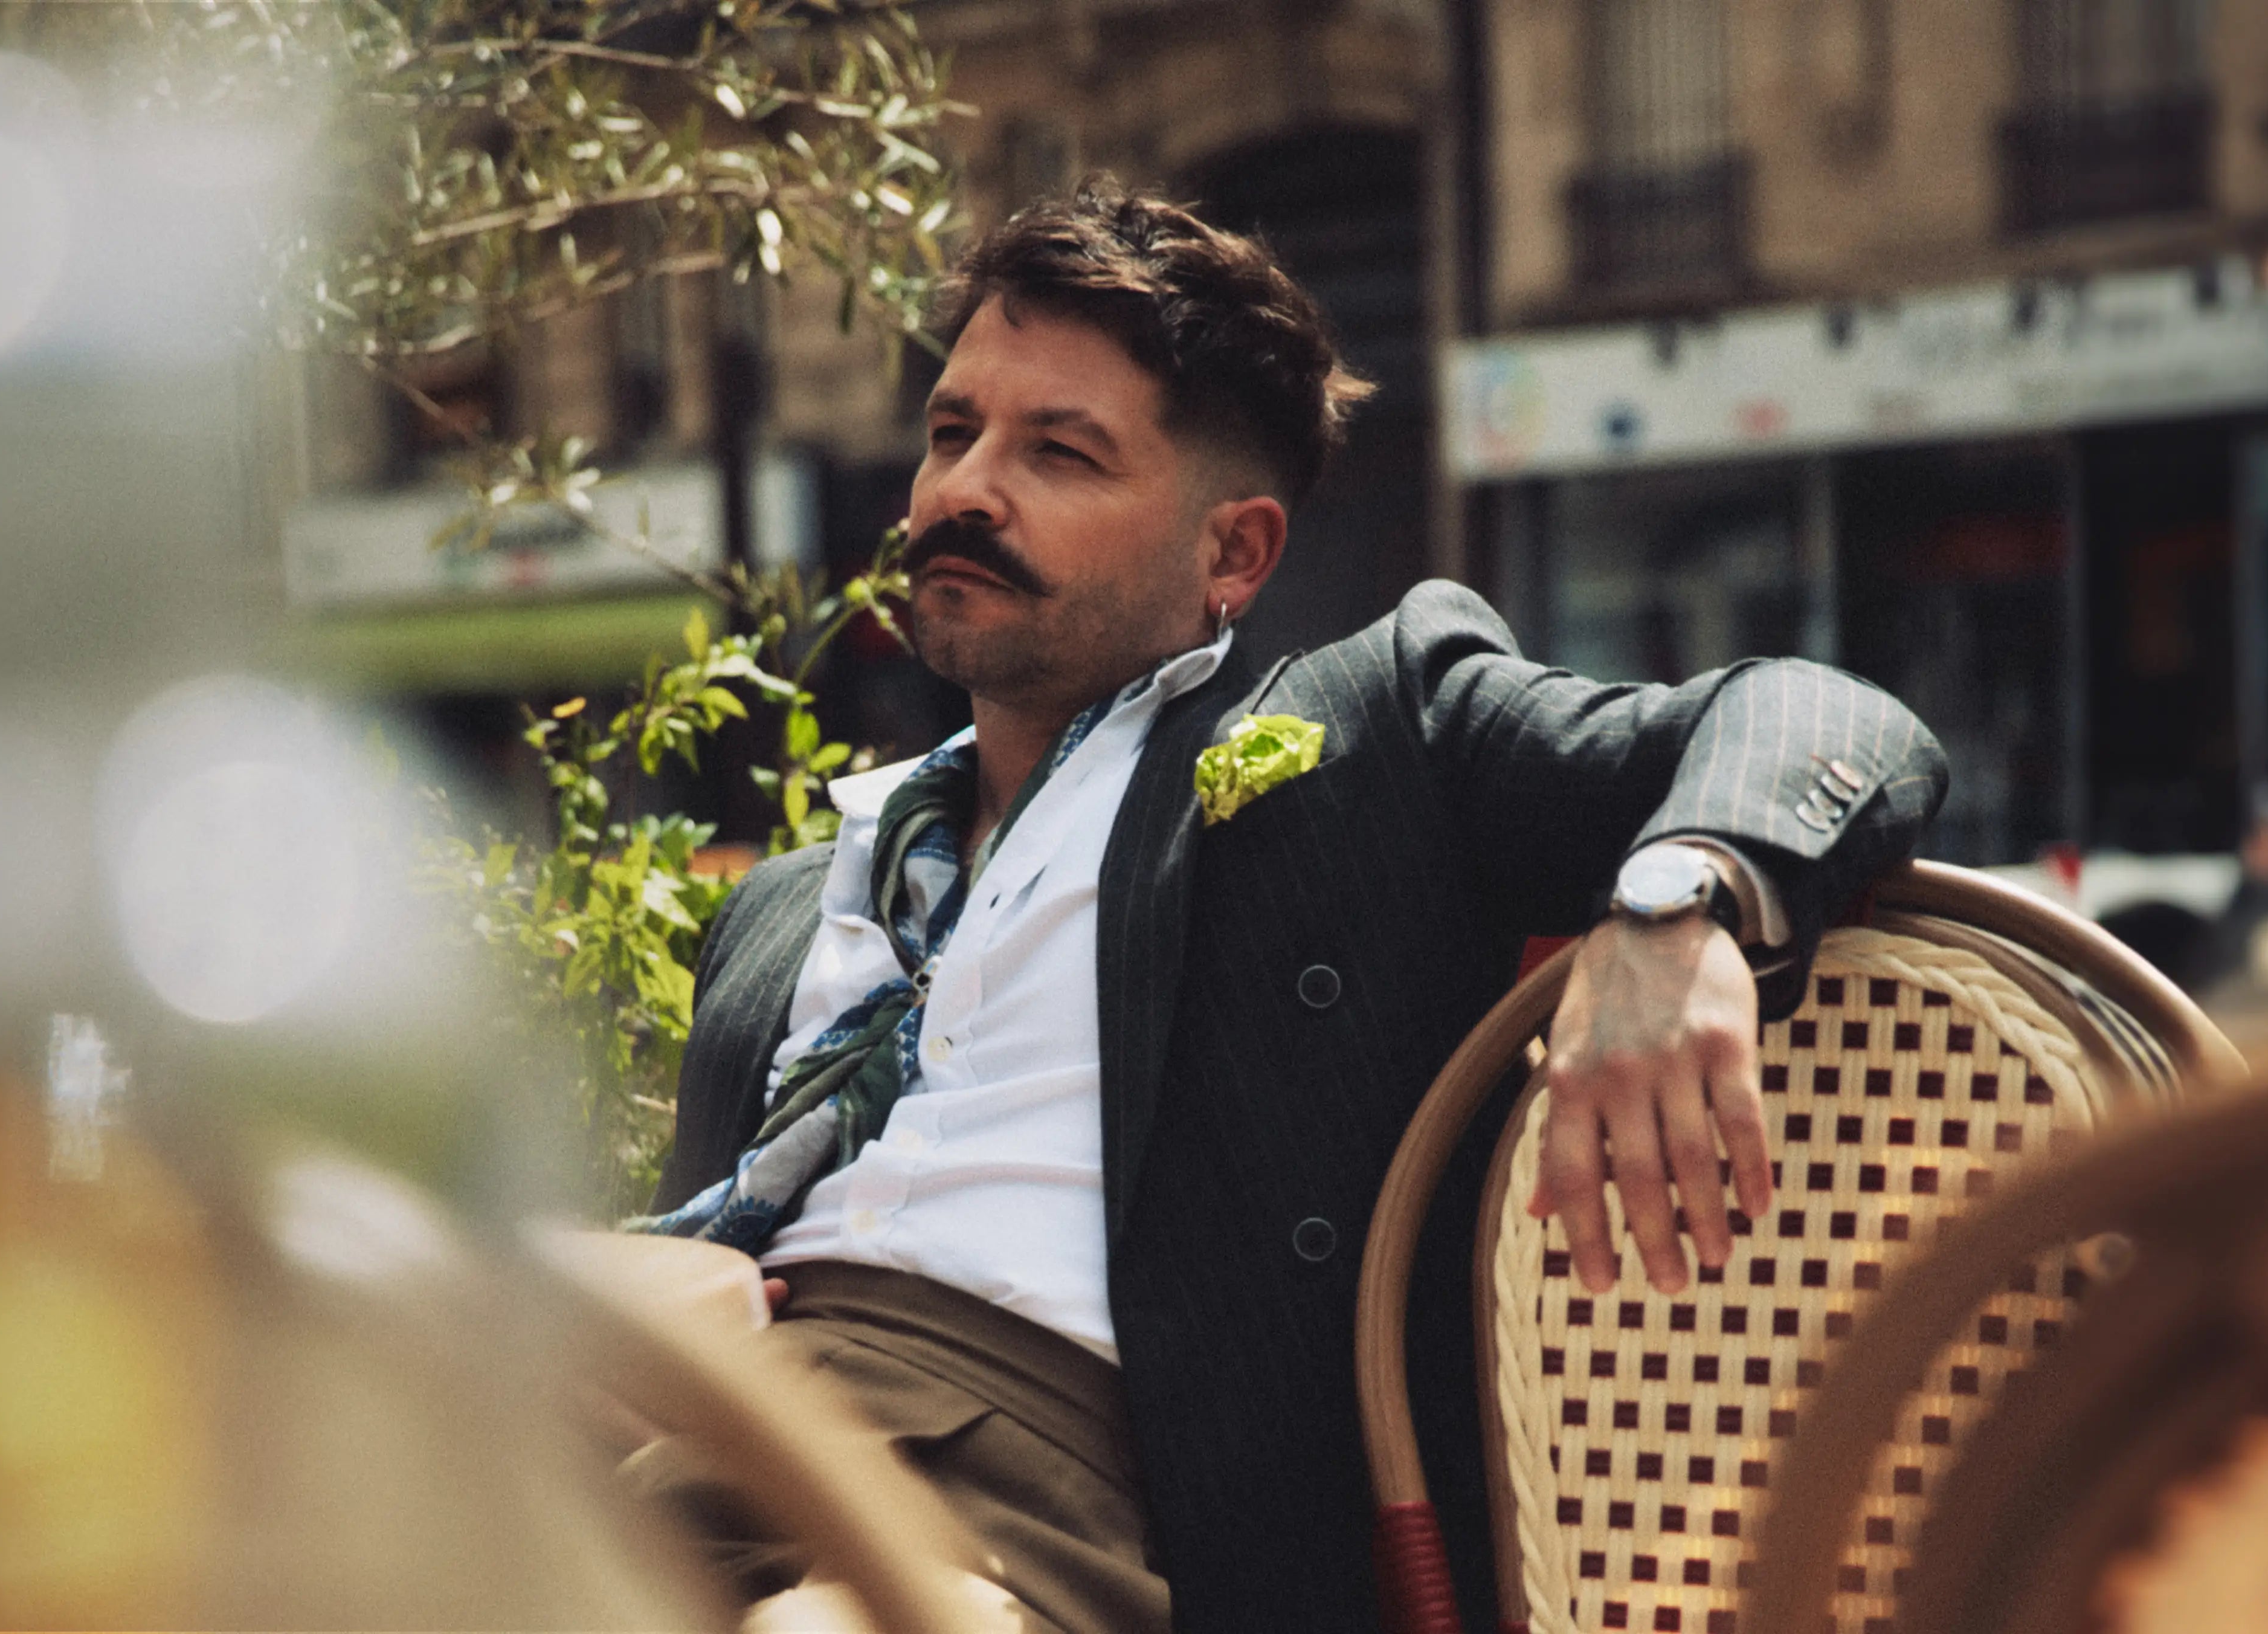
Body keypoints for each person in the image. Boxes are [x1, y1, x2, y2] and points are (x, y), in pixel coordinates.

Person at [629, 179, 1946, 1634]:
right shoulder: (793, 902)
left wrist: (1678, 900)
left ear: (1234, 555)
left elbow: (1820, 718)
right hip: (694, 1440)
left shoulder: (1368, 739)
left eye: (1060, 451)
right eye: (953, 433)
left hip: (1030, 1512)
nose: (964, 491)